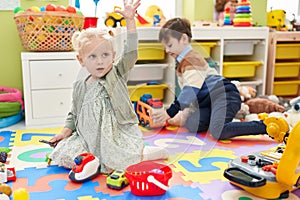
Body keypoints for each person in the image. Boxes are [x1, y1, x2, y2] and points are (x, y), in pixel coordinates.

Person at [48, 0, 168, 174]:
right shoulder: (80, 86)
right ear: (81, 60)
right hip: (88, 137)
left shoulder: (116, 73)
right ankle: (98, 159)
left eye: (105, 55)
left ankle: (148, 154)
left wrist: (130, 21)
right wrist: (63, 133)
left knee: (116, 162)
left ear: (113, 55)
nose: (100, 61)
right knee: (61, 154)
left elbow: (131, 52)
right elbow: (73, 114)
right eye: (93, 56)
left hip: (114, 135)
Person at [151, 17, 268, 140]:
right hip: (209, 102)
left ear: (184, 39)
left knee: (218, 131)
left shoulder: (192, 60)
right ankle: (219, 117)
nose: (167, 50)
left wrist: (169, 113)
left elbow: (190, 92)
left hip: (224, 95)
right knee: (192, 123)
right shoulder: (182, 61)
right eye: (165, 47)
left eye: (170, 45)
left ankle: (264, 126)